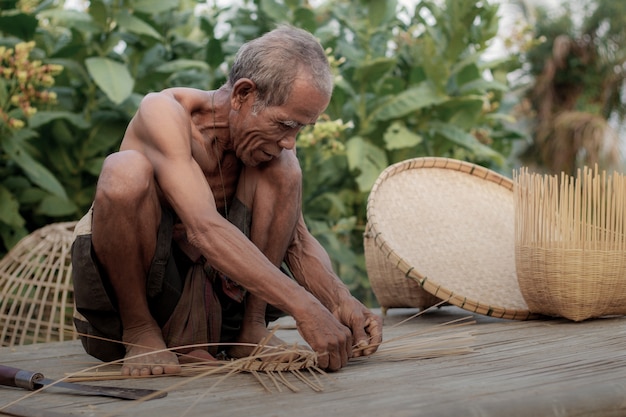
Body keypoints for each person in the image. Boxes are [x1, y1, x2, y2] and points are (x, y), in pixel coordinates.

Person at [71, 25, 383, 377]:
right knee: (123, 169)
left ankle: (251, 330)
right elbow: (203, 227)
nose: (290, 141)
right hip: (139, 308)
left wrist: (340, 301)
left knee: (286, 168)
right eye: (285, 125)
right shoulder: (165, 113)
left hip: (223, 312)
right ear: (243, 94)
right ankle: (140, 330)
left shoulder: (265, 152)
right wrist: (305, 308)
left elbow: (296, 240)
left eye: (301, 129)